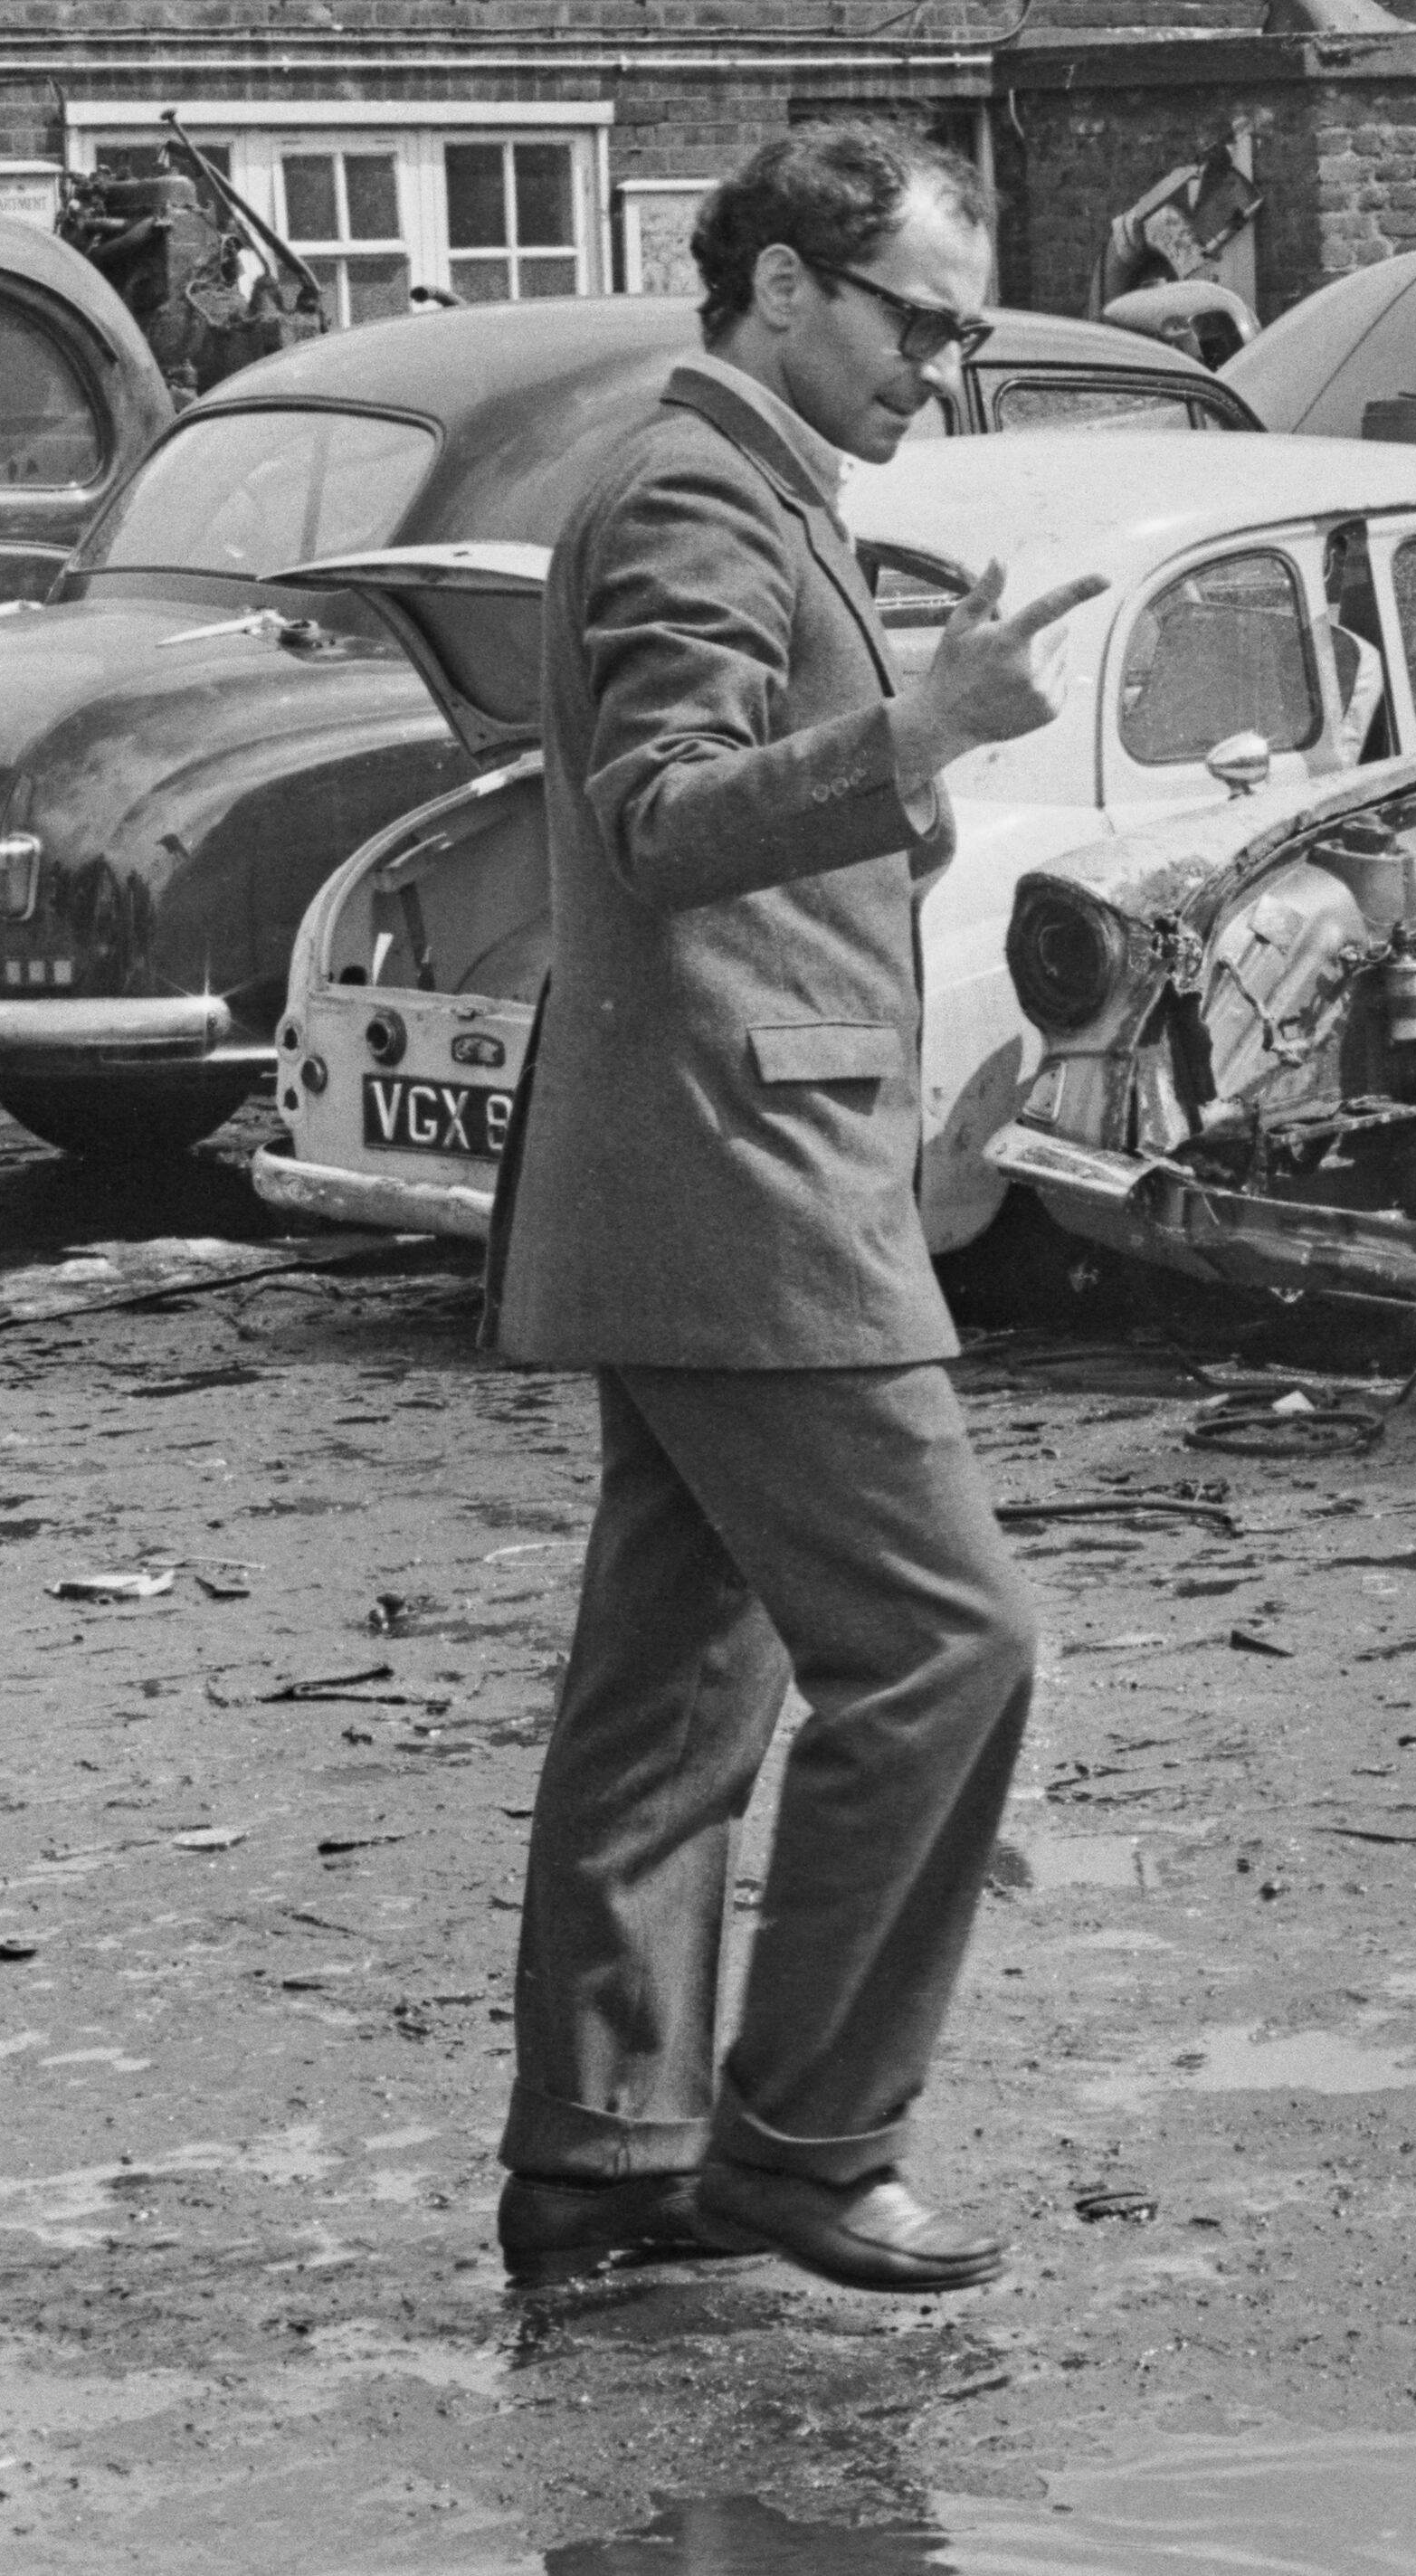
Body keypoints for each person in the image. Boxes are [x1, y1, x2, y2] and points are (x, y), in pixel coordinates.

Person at [485, 128, 1105, 2296]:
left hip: (701, 1173)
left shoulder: (744, 490)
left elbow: (735, 820)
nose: (940, 365)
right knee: (949, 1648)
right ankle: (806, 2145)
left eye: (957, 327)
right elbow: (657, 818)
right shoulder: (690, 491)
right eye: (913, 318)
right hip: (752, 1185)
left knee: (672, 1693)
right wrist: (920, 721)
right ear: (773, 287)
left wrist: (897, 788)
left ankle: (600, 2159)